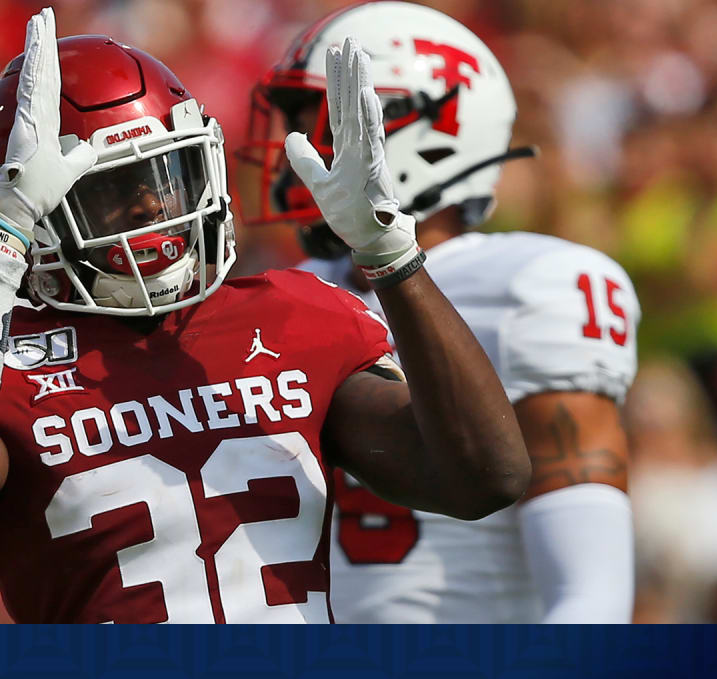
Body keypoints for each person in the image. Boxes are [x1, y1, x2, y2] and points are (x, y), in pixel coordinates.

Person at [0, 9, 529, 624]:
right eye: (114, 189)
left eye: (167, 175)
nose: (154, 208)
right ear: (32, 206)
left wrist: (392, 256)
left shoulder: (297, 314)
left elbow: (483, 476)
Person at [241, 2, 640, 623]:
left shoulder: (529, 287)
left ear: (415, 127)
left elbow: (591, 591)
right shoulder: (282, 295)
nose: (290, 151)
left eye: (313, 122)